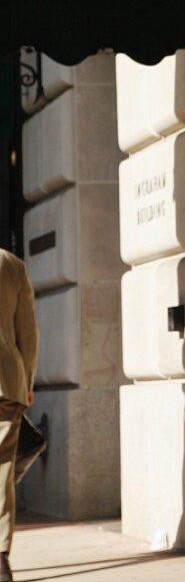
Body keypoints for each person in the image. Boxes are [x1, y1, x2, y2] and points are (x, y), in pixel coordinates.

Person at [0, 248, 38, 582]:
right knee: (2, 469)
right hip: (6, 382)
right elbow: (28, 334)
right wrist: (28, 380)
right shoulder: (11, 265)